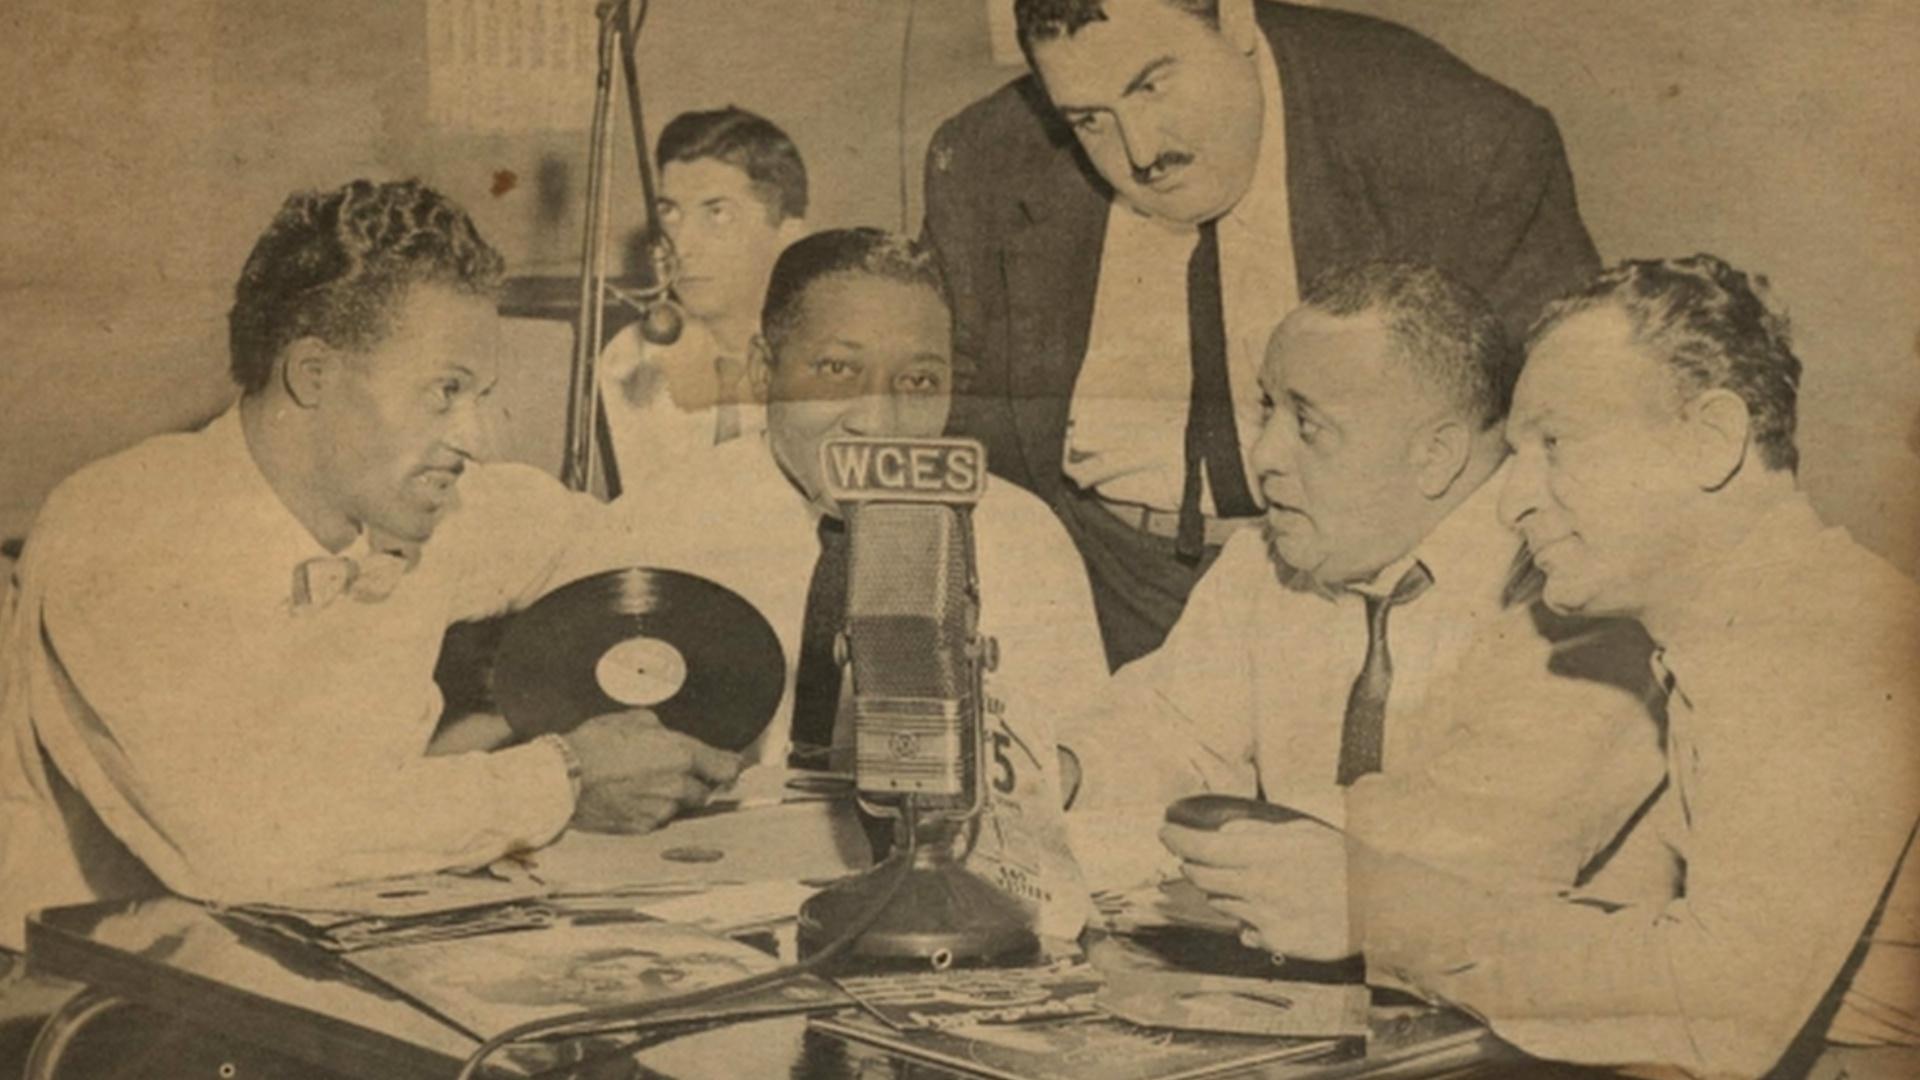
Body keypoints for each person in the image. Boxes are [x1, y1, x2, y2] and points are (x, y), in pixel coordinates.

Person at [0, 179, 741, 952]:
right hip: (89, 1007)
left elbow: (636, 551)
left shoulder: (426, 503)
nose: (479, 438)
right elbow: (247, 846)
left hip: (327, 965)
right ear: (313, 376)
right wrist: (564, 775)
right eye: (445, 392)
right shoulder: (119, 533)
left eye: (481, 395)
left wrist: (517, 712)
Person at [1237, 256, 1920, 1079]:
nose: (1509, 499)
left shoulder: (1822, 642)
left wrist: (1374, 906)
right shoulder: (1738, 636)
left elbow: (1719, 1007)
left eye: (1554, 444)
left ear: (1711, 441)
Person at [924, 0, 1602, 667]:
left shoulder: (1454, 137)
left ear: (1236, 21)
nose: (1142, 151)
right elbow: (949, 423)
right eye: (1089, 121)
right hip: (1101, 584)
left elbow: (1562, 426)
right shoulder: (985, 161)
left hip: (1372, 588)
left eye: (1154, 84)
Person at [1067, 261, 1661, 902]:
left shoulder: (1574, 586)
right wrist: (1066, 773)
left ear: (1435, 456)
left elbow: (1478, 843)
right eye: (1268, 409)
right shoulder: (1268, 563)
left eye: (1308, 425)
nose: (1262, 457)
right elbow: (1170, 731)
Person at [575, 228, 1108, 934]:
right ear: (764, 371)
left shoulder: (1021, 534)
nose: (879, 421)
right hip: (693, 904)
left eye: (918, 381)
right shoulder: (657, 526)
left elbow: (1086, 770)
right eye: (836, 371)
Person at [598, 106, 809, 496]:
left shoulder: (830, 367)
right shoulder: (630, 358)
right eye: (671, 213)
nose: (682, 245)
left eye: (717, 213)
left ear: (789, 236)